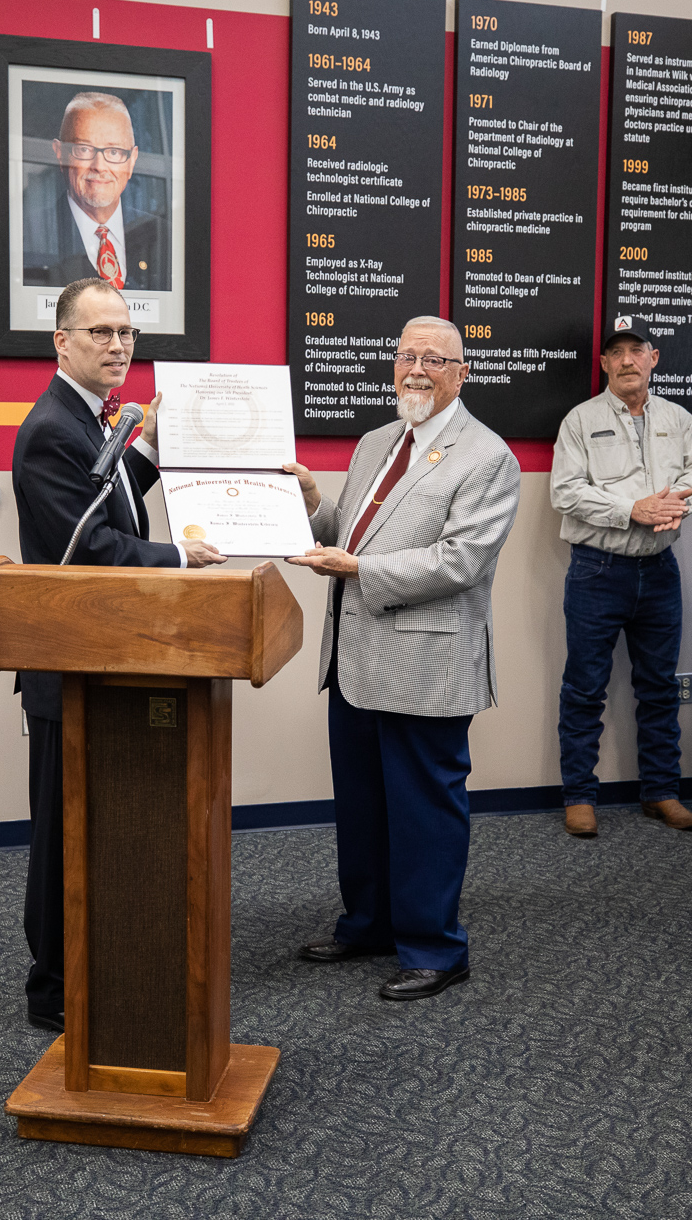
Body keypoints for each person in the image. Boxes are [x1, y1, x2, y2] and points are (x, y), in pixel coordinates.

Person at [9, 277, 224, 1032]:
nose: (117, 345)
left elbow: (108, 497)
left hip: (104, 657)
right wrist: (181, 557)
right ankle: (53, 988)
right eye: (99, 332)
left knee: (97, 825)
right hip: (68, 663)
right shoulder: (52, 428)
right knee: (61, 830)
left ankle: (91, 969)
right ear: (61, 341)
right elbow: (91, 545)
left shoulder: (92, 418)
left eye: (126, 332)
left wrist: (151, 446)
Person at [284, 316, 520, 1002]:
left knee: (424, 811)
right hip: (354, 659)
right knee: (362, 805)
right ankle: (368, 924)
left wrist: (357, 568)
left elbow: (461, 561)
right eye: (406, 355)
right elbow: (349, 533)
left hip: (427, 665)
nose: (416, 369)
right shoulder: (376, 442)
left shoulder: (487, 456)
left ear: (461, 373)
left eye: (435, 359)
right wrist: (313, 502)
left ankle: (435, 948)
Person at [549, 316, 692, 838]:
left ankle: (662, 792)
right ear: (603, 363)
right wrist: (633, 509)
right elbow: (565, 491)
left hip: (660, 570)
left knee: (660, 687)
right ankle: (579, 797)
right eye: (616, 353)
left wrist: (674, 502)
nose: (626, 361)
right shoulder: (580, 420)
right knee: (584, 688)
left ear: (653, 358)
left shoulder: (678, 417)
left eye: (636, 350)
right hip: (598, 571)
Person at [22, 91, 170, 291]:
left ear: (132, 160)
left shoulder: (165, 236)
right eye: (84, 149)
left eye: (114, 152)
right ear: (60, 154)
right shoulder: (25, 235)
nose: (99, 166)